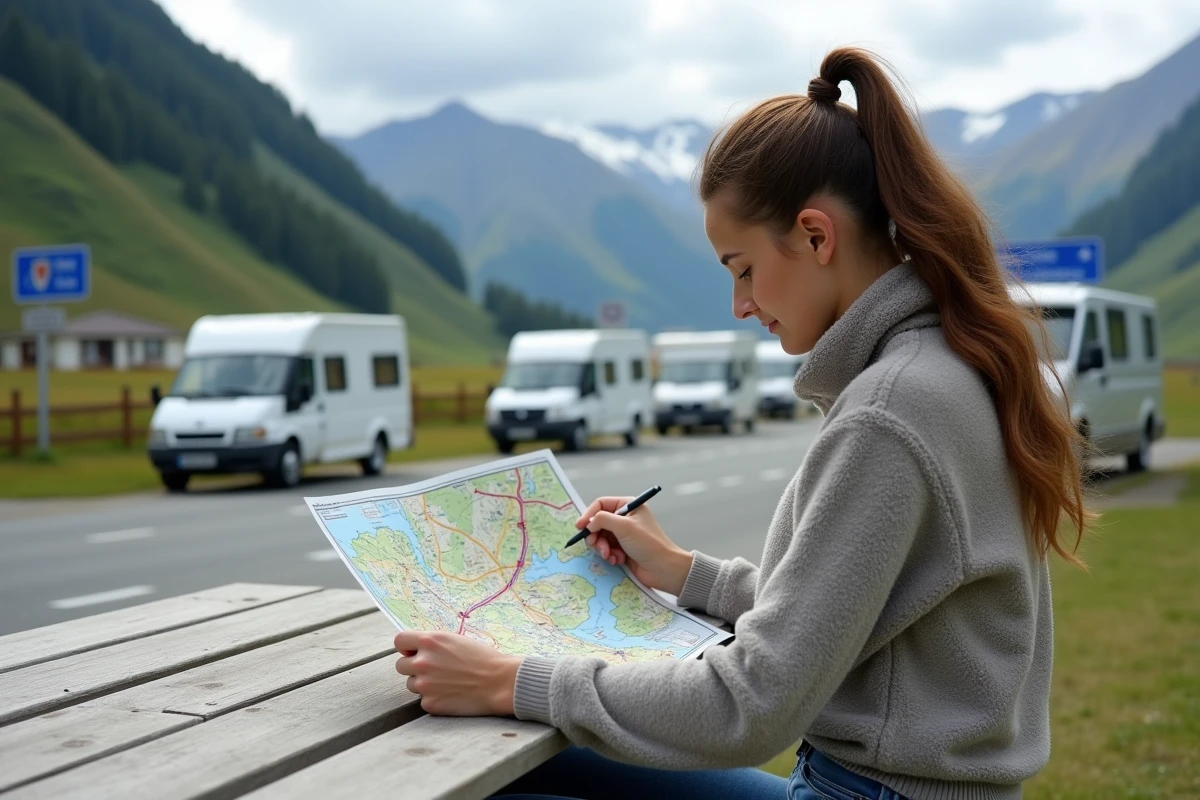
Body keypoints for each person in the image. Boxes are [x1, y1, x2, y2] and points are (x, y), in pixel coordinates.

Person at [393, 46, 1089, 800]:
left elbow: (752, 704)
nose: (741, 305)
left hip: (868, 794)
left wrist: (512, 681)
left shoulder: (892, 411)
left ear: (817, 237)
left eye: (742, 268)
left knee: (516, 775)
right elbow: (838, 617)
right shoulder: (941, 368)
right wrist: (689, 574)